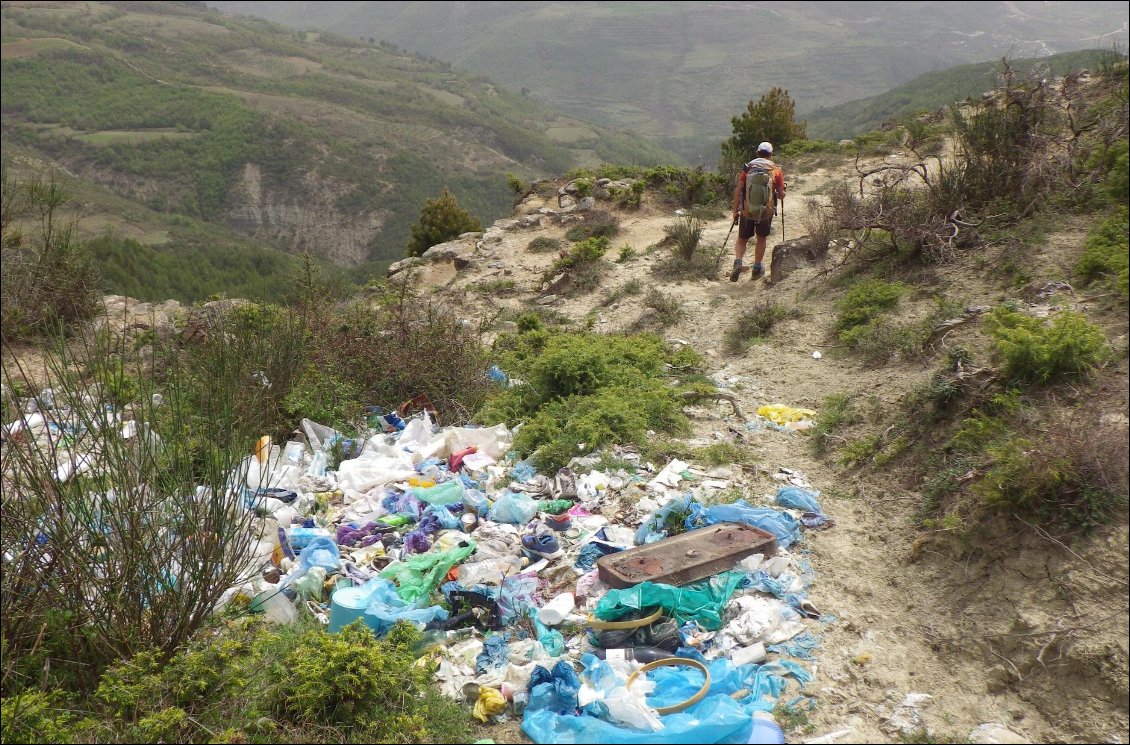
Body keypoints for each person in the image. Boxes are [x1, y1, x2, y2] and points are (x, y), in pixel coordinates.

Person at [730, 141, 786, 282]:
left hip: (747, 210)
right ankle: (756, 268)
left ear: (757, 152)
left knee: (742, 239)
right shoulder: (776, 170)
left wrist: (735, 211)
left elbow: (739, 191)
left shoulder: (747, 168)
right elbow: (780, 195)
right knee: (761, 238)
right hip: (765, 212)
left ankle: (737, 262)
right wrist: (782, 191)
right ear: (771, 154)